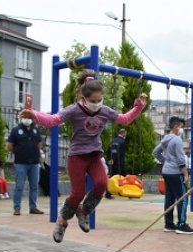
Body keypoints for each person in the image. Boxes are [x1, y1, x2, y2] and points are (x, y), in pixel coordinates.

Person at [20, 70, 146, 243]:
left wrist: (138, 107)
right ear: (84, 98)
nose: (96, 104)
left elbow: (124, 119)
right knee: (78, 192)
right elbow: (52, 120)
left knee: (102, 183)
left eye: (99, 100)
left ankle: (84, 211)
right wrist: (34, 114)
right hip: (77, 156)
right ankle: (62, 221)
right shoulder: (74, 110)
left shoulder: (104, 110)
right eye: (92, 101)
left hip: (94, 155)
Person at [153, 116, 193, 235]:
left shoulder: (165, 139)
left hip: (166, 172)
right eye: (182, 127)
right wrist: (186, 174)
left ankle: (169, 224)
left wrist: (166, 161)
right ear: (176, 126)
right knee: (183, 198)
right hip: (176, 173)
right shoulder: (177, 140)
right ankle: (181, 225)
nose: (182, 129)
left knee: (170, 198)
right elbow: (180, 158)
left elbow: (155, 152)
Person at [7, 117, 44, 216]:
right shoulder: (16, 130)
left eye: (29, 117)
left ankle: (33, 207)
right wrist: (18, 152)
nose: (27, 119)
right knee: (19, 186)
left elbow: (39, 143)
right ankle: (17, 208)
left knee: (34, 186)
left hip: (34, 163)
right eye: (25, 117)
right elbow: (9, 145)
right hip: (21, 162)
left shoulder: (36, 130)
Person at [105, 128, 128, 199]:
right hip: (120, 163)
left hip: (112, 163)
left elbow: (108, 151)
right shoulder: (123, 141)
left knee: (111, 177)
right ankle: (123, 192)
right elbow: (121, 153)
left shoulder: (112, 141)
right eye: (125, 134)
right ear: (123, 133)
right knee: (123, 177)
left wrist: (110, 159)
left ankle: (107, 193)